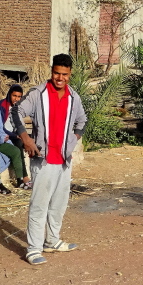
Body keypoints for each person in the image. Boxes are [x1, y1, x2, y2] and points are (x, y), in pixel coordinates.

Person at [12, 54, 87, 265]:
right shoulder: (38, 93)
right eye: (56, 73)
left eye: (64, 74)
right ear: (52, 71)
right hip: (42, 160)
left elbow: (82, 121)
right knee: (39, 206)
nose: (60, 78)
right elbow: (16, 111)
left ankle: (52, 241)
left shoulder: (74, 97)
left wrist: (73, 140)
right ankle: (33, 249)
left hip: (64, 161)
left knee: (58, 204)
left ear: (70, 74)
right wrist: (26, 138)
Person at [0, 84, 32, 190]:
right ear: (9, 94)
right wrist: (15, 135)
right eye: (14, 96)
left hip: (14, 133)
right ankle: (24, 177)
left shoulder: (18, 107)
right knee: (19, 145)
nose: (16, 99)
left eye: (19, 96)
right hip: (5, 134)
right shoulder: (1, 106)